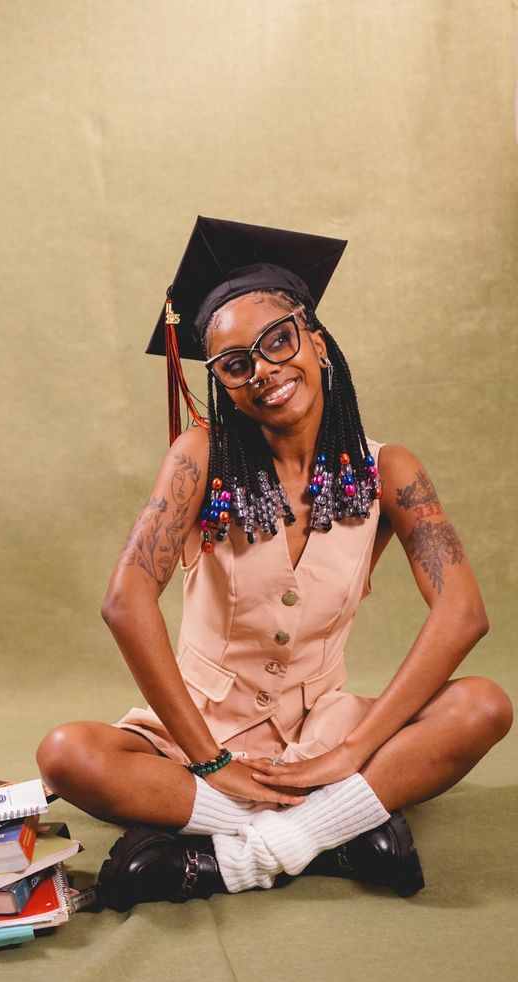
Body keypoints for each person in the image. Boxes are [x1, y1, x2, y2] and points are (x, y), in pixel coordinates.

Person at [36, 216, 513, 911]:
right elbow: (125, 600)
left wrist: (354, 751)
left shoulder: (386, 471)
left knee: (484, 706)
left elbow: (463, 611)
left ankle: (236, 856)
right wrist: (209, 760)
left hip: (329, 731)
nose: (264, 370)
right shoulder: (201, 458)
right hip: (198, 736)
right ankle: (336, 830)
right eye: (236, 364)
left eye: (278, 341)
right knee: (66, 753)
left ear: (315, 343)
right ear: (223, 383)